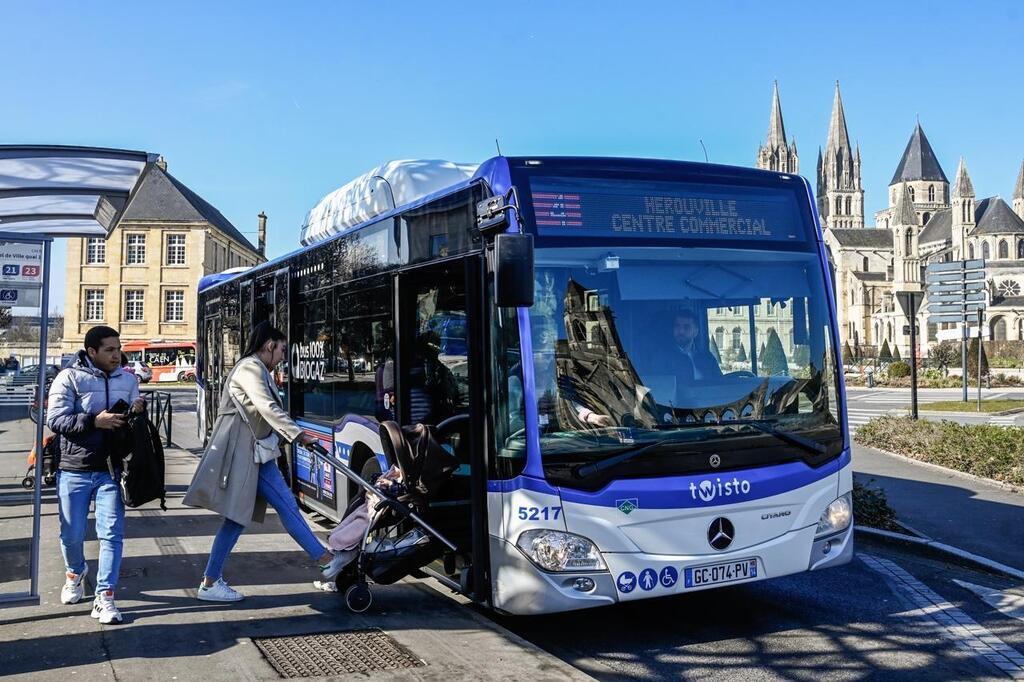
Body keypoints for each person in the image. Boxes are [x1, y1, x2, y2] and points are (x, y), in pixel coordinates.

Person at [184, 322, 352, 602]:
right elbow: (266, 407)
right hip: (248, 455)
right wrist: (299, 436)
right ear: (269, 345)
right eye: (282, 349)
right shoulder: (250, 368)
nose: (284, 356)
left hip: (253, 454)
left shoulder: (256, 369)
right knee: (284, 507)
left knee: (238, 520)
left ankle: (210, 581)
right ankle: (325, 560)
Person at [46, 325, 144, 624]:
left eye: (119, 348)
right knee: (71, 535)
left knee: (111, 535)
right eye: (110, 350)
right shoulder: (69, 377)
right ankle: (75, 573)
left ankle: (105, 597)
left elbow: (131, 421)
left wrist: (138, 410)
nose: (117, 355)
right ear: (92, 352)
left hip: (112, 469)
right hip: (74, 470)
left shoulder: (128, 379)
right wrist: (94, 422)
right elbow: (55, 419)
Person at [670, 309, 723, 381]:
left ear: (696, 332)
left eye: (686, 327)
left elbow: (720, 382)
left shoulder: (706, 356)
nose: (681, 331)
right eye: (677, 326)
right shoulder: (662, 357)